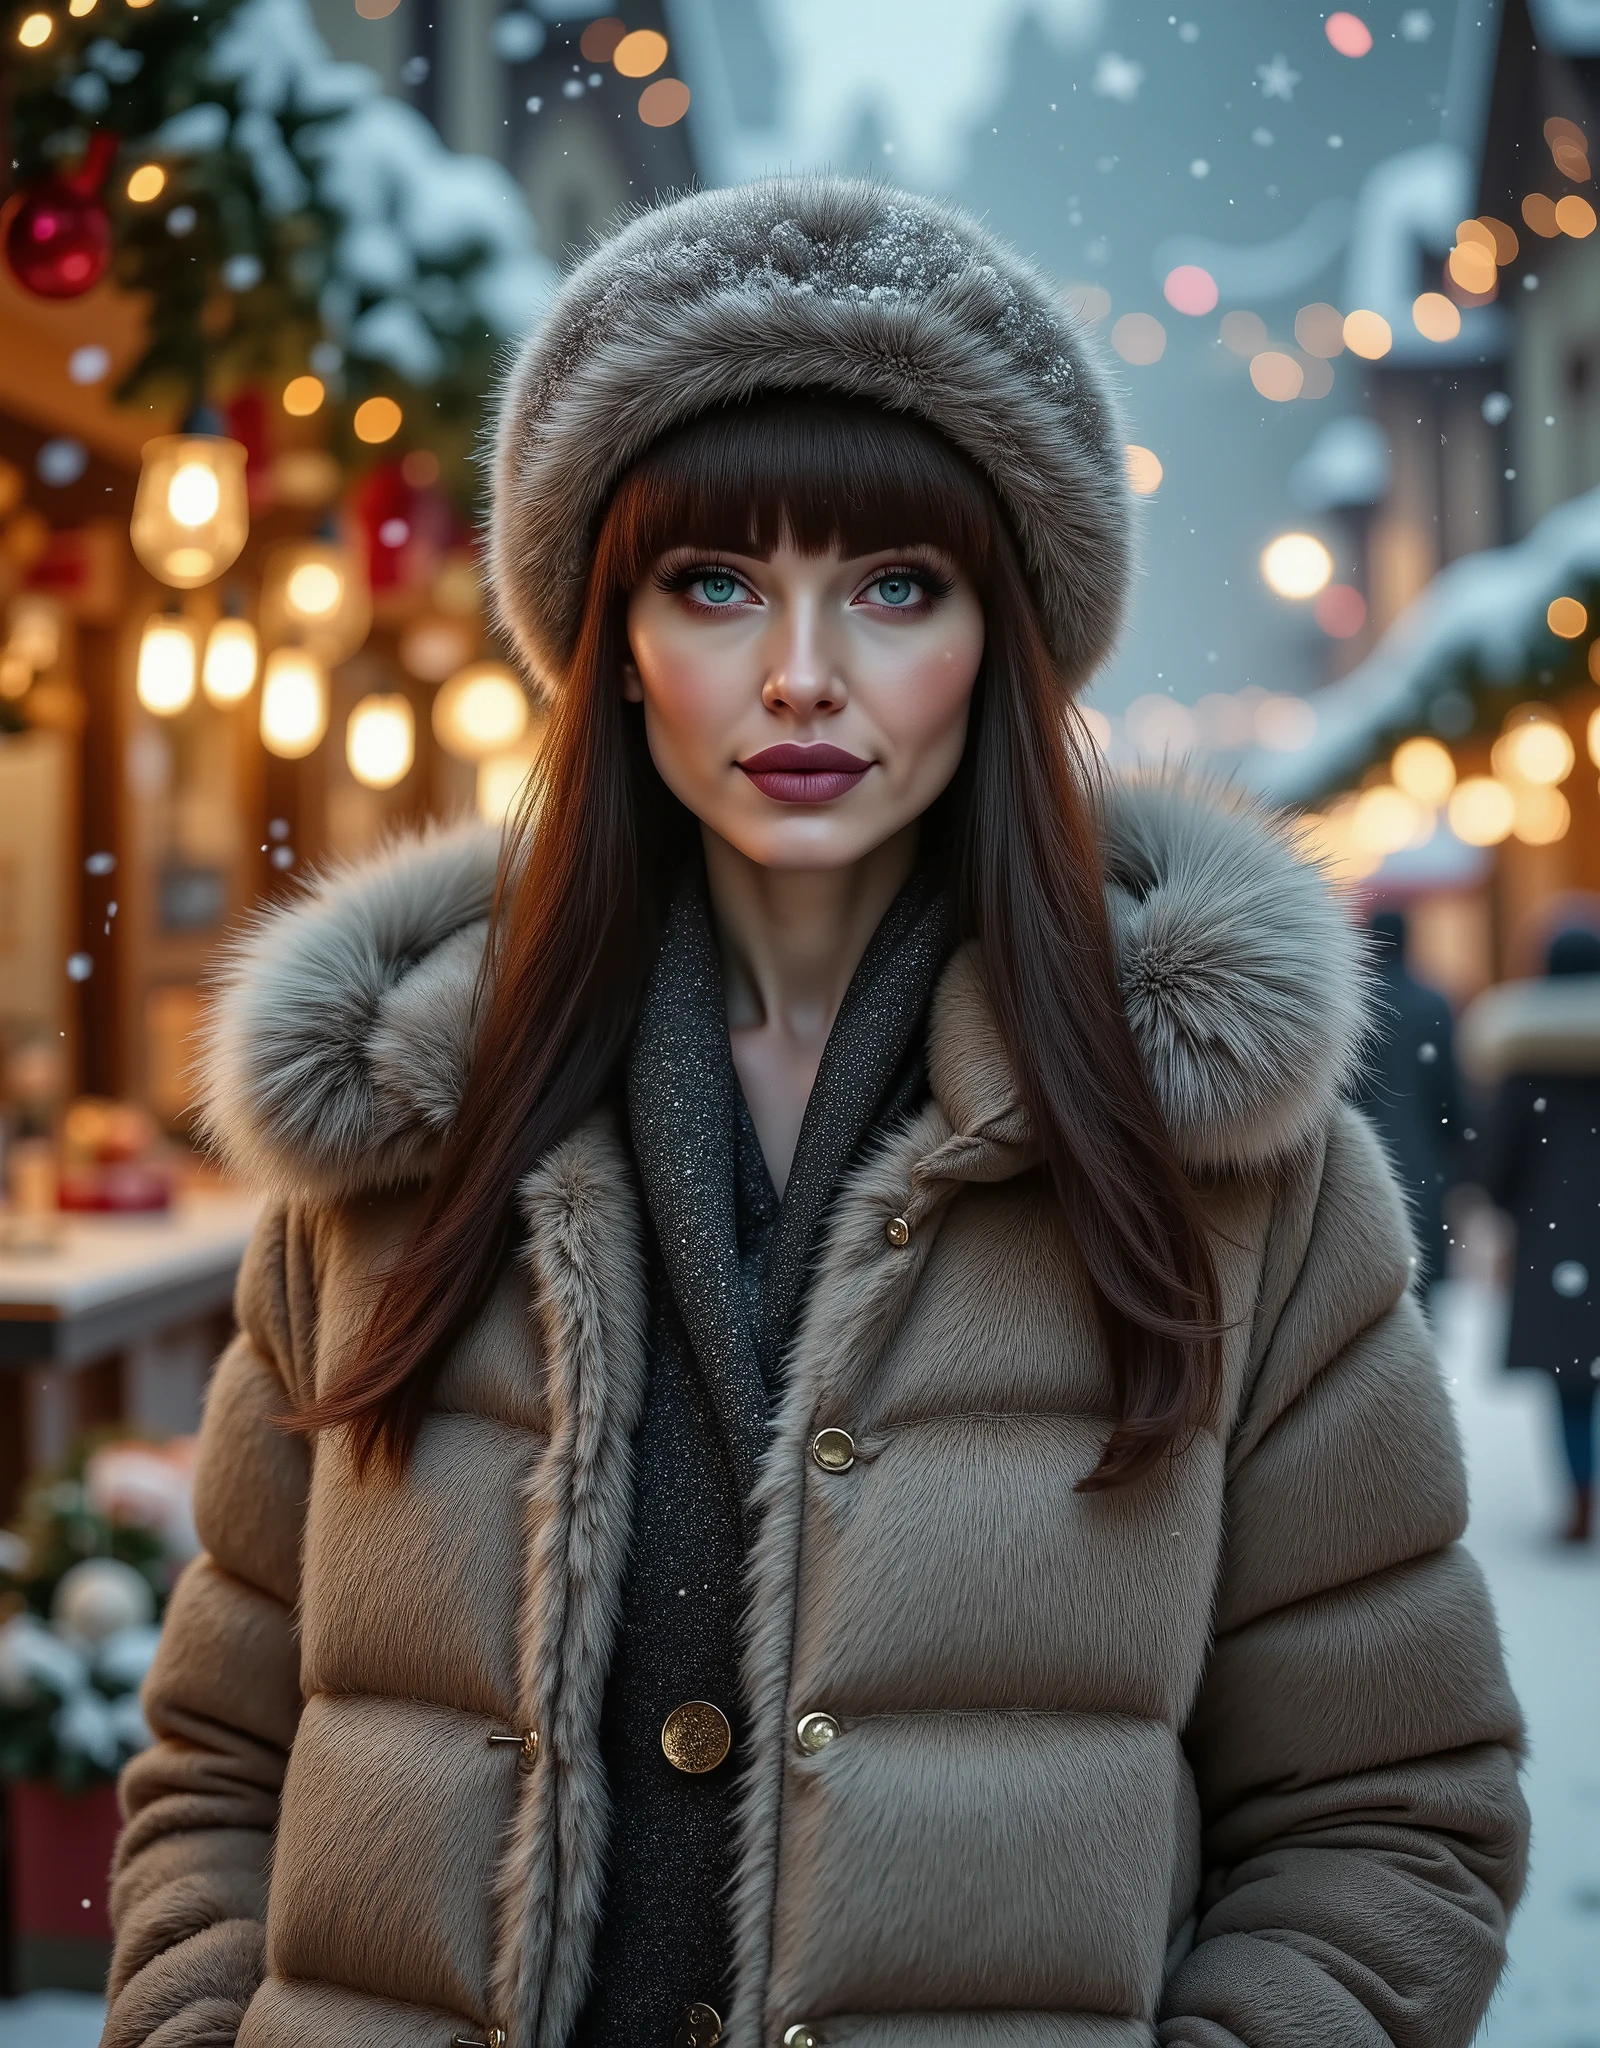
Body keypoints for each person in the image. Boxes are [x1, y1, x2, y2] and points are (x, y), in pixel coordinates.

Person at [101, 180, 1526, 2048]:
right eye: (715, 584)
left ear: (999, 640)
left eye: (893, 586)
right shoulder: (395, 1142)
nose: (800, 672)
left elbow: (1391, 1814)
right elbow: (221, 1764)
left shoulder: (1232, 1172)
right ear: (609, 637)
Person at [1469, 925, 1600, 1542]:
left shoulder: (1529, 1058)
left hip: (1557, 1237)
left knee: (1572, 1378)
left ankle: (1580, 1498)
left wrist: (1499, 1201)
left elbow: (1501, 1160)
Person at [1350, 907, 1463, 1294]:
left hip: (1362, 1155)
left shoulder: (1354, 1002)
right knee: (1423, 1282)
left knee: (1366, 1277)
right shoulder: (1433, 1004)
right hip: (1423, 1156)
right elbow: (1449, 1094)